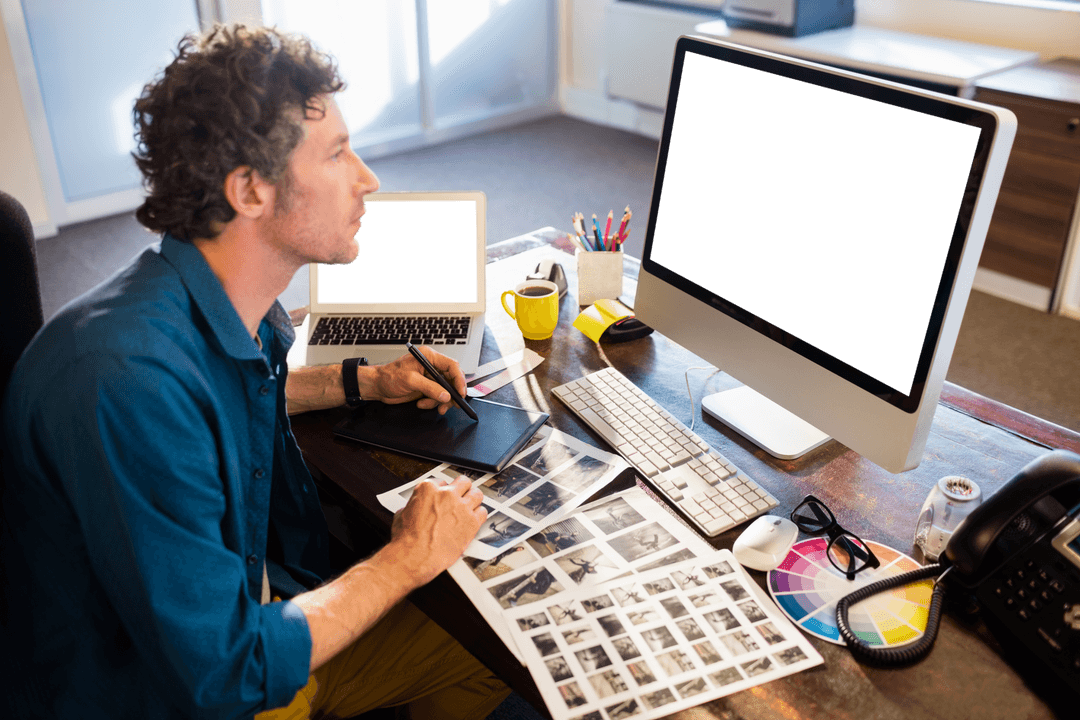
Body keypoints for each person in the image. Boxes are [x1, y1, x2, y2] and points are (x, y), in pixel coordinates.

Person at [0, 24, 513, 719]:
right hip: (166, 695)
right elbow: (225, 674)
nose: (368, 178)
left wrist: (361, 380)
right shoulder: (124, 380)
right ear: (249, 190)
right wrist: (405, 559)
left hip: (255, 611)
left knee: (496, 647)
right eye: (336, 154)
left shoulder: (227, 308)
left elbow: (222, 394)